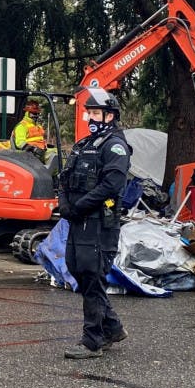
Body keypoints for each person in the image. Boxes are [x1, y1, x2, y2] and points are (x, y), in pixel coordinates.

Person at [58, 87, 130, 360]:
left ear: (110, 115)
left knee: (91, 275)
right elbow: (65, 178)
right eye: (89, 112)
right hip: (78, 221)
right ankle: (112, 328)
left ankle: (93, 341)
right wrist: (65, 204)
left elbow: (112, 185)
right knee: (77, 269)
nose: (90, 118)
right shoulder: (83, 145)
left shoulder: (115, 146)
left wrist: (80, 206)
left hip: (99, 224)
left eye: (95, 113)